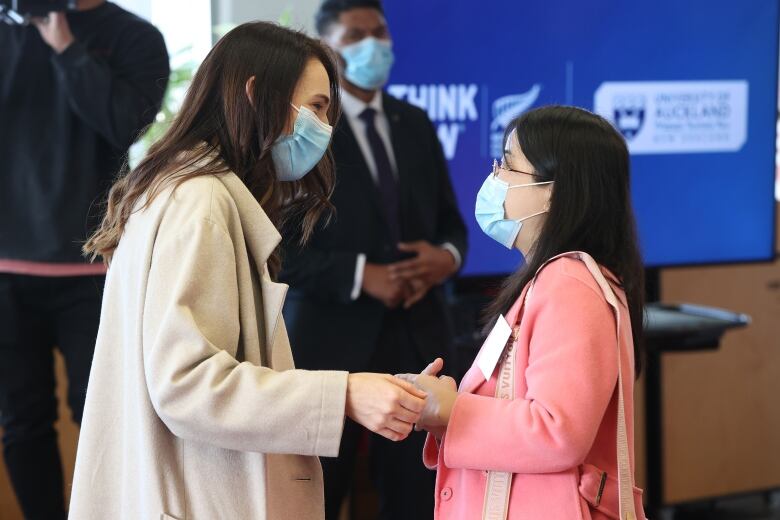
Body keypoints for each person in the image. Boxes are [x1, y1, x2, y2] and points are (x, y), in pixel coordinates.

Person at [68, 21, 426, 520]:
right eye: (318, 107)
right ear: (256, 93)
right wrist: (344, 393)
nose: (324, 127)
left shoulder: (186, 187)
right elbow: (187, 384)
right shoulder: (201, 201)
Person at [400, 106, 648, 519]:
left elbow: (556, 431)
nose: (494, 176)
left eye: (508, 164)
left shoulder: (568, 283)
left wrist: (451, 409)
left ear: (553, 189)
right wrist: (441, 411)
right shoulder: (555, 277)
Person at [278, 1, 468, 518]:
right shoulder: (307, 134)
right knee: (318, 493)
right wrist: (364, 276)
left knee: (415, 494)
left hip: (419, 340)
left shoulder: (416, 123)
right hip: (330, 343)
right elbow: (281, 250)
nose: (373, 45)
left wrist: (444, 259)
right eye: (356, 35)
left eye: (379, 32)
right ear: (327, 50)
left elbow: (453, 225)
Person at [0, 2, 168, 518]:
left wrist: (67, 47)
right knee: (22, 421)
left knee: (102, 415)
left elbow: (123, 125)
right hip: (7, 267)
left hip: (94, 268)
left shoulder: (135, 37)